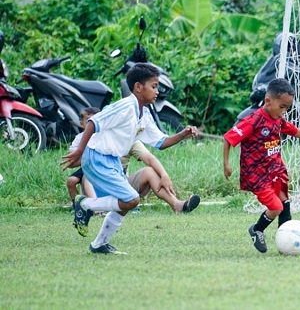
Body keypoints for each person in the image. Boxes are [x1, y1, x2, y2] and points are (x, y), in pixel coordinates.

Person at [60, 63, 198, 255]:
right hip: (97, 156)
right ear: (138, 87)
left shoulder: (145, 113)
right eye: (154, 86)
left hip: (112, 161)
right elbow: (94, 121)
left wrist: (182, 134)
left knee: (125, 204)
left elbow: (161, 142)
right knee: (131, 199)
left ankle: (99, 244)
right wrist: (79, 150)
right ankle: (85, 204)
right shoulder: (125, 105)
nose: (157, 91)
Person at [223, 78, 300, 253]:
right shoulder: (254, 120)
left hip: (276, 169)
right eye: (282, 107)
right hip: (257, 175)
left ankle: (286, 244)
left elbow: (294, 131)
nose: (284, 111)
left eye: (287, 108)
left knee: (285, 204)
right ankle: (257, 229)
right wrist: (226, 164)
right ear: (268, 101)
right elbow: (228, 138)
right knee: (276, 207)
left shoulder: (277, 119)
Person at [81, 140, 201, 214]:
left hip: (120, 183)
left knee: (149, 171)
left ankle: (177, 205)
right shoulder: (97, 139)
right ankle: (95, 208)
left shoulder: (130, 139)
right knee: (87, 176)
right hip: (99, 185)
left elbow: (149, 158)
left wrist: (164, 175)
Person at [65, 106, 101, 207]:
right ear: (81, 124)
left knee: (88, 177)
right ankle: (77, 206)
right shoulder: (79, 138)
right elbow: (71, 156)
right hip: (86, 165)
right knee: (71, 181)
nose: (92, 125)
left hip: (102, 165)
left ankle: (96, 206)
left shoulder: (102, 135)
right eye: (88, 121)